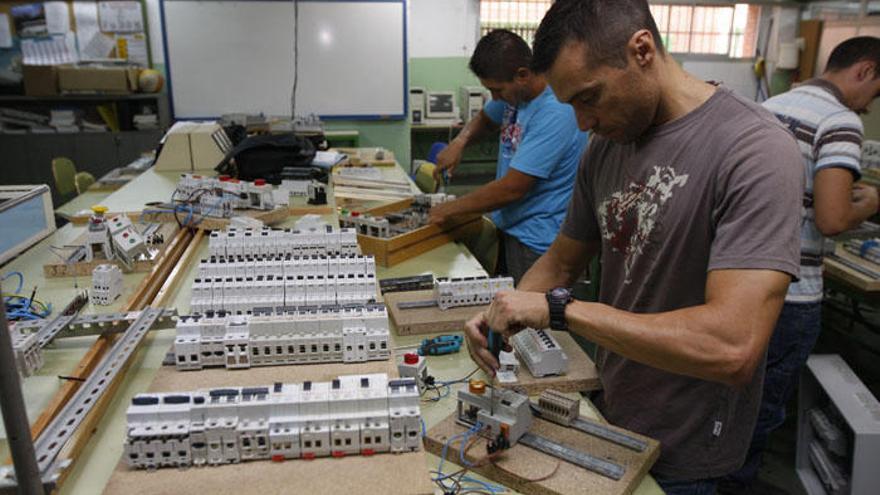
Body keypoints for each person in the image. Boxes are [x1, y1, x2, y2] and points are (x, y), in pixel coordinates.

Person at [462, 1, 804, 494]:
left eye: (589, 98)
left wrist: (559, 310)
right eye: (571, 105)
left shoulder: (754, 150)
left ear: (641, 50)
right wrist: (504, 308)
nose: (582, 123)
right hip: (613, 411)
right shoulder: (607, 144)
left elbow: (732, 347)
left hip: (688, 448)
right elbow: (561, 260)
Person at [720, 36, 880, 492]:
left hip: (739, 286)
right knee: (761, 413)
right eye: (876, 91)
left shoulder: (768, 107)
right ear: (865, 71)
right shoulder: (840, 120)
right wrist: (870, 202)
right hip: (792, 293)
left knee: (728, 405)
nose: (870, 105)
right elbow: (832, 219)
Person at [428, 29, 588, 283]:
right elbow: (486, 118)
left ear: (522, 75)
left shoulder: (555, 112)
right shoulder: (516, 96)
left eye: (497, 90)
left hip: (539, 243)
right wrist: (460, 141)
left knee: (529, 307)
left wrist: (450, 209)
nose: (495, 98)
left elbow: (513, 188)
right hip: (509, 228)